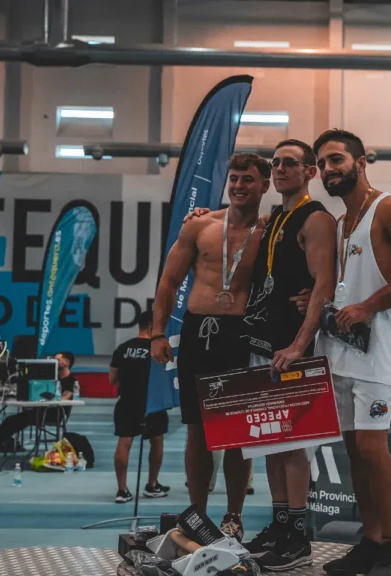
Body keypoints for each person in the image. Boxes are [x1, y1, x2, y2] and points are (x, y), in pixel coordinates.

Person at [312, 129, 391, 576]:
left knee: (372, 447)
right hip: (341, 349)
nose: (328, 169)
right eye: (322, 163)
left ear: (361, 162)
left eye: (336, 159)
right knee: (354, 450)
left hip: (378, 351)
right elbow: (344, 286)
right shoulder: (341, 222)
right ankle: (370, 541)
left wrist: (368, 307)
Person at [151, 153, 271, 542]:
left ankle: (233, 516)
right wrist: (157, 333)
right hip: (198, 332)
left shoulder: (272, 231)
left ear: (264, 185)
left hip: (242, 334)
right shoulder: (200, 226)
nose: (238, 186)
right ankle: (197, 513)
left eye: (247, 179)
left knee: (236, 433)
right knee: (197, 430)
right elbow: (169, 281)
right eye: (234, 178)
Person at [239, 139, 336, 571]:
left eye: (290, 163)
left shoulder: (316, 219)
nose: (279, 169)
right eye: (275, 162)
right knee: (271, 443)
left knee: (294, 446)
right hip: (263, 344)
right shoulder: (276, 217)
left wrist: (299, 343)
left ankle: (298, 536)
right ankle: (280, 525)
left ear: (310, 171)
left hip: (294, 350)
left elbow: (323, 284)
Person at [0, 352, 78, 464]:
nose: (54, 362)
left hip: (55, 414)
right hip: (39, 411)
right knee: (11, 421)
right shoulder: (52, 377)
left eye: (57, 360)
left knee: (15, 421)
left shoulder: (72, 381)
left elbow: (63, 399)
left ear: (66, 363)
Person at [110, 311, 170, 503]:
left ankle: (122, 490)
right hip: (153, 402)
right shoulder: (159, 350)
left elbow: (113, 379)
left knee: (124, 442)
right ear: (153, 325)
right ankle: (152, 485)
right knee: (157, 441)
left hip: (127, 401)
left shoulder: (123, 348)